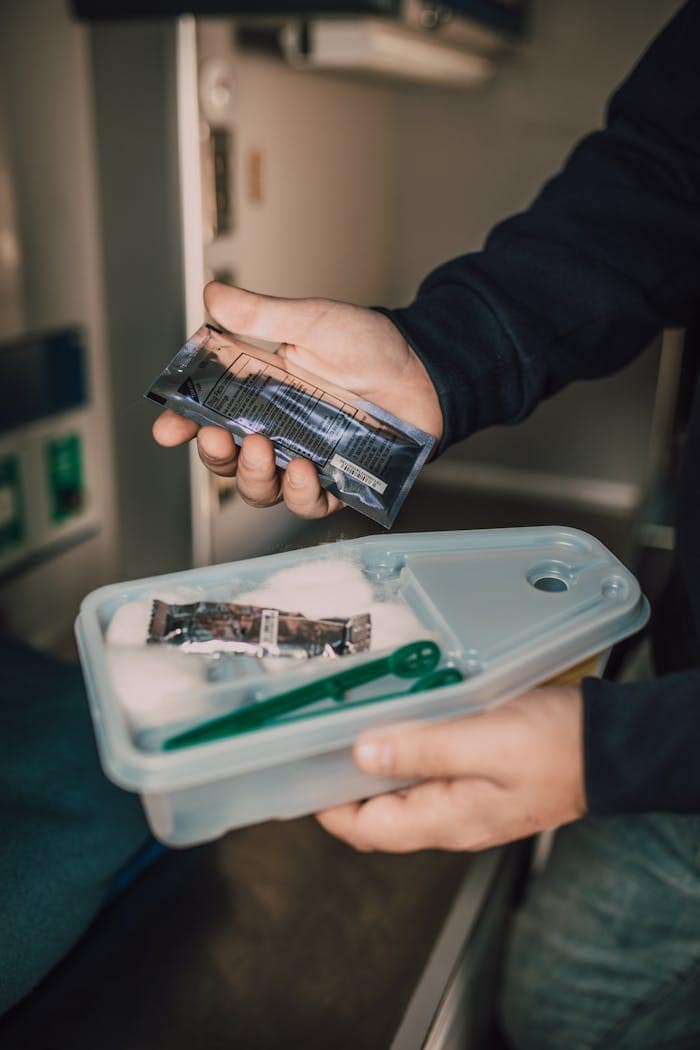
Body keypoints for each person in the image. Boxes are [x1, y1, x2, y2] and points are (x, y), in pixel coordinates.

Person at [154, 3, 700, 1045]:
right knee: (564, 1006)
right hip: (677, 692)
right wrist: (435, 360)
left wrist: (621, 754)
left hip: (661, 739)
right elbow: (661, 184)